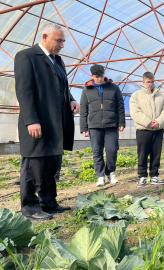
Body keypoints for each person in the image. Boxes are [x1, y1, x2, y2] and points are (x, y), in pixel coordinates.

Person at [15, 23, 79, 220]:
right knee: (33, 165)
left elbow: (61, 86)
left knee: (51, 164)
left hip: (55, 122)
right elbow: (24, 91)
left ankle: (49, 202)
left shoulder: (57, 61)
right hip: (38, 122)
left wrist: (71, 99)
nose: (61, 45)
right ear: (44, 36)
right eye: (58, 40)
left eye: (63, 41)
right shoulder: (27, 57)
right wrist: (32, 120)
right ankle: (30, 207)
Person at [80, 64, 125, 186]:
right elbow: (83, 109)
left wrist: (121, 122)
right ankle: (100, 176)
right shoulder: (86, 89)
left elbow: (120, 105)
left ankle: (110, 173)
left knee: (112, 150)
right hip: (94, 125)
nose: (99, 79)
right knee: (97, 151)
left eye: (101, 76)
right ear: (92, 76)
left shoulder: (113, 88)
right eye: (97, 77)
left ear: (104, 74)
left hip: (111, 124)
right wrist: (83, 127)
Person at [130, 72, 164, 187]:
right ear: (143, 82)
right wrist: (148, 122)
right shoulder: (136, 96)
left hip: (158, 129)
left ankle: (154, 176)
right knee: (142, 153)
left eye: (152, 81)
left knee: (156, 153)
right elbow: (135, 112)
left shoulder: (162, 95)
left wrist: (158, 122)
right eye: (148, 82)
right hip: (143, 130)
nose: (150, 84)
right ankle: (142, 176)